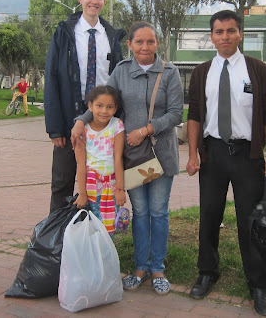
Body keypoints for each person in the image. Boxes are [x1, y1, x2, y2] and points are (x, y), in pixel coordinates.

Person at [72, 21, 183, 295]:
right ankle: (140, 268)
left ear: (158, 43)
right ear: (130, 44)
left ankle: (158, 268)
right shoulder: (121, 71)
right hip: (132, 157)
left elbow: (176, 113)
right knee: (141, 212)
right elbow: (104, 100)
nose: (145, 47)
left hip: (160, 154)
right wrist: (80, 121)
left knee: (159, 212)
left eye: (150, 41)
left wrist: (146, 130)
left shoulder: (170, 72)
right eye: (139, 42)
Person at [185, 10, 266, 316]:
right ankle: (207, 272)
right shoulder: (202, 73)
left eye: (230, 31)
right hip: (212, 154)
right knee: (209, 215)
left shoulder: (257, 70)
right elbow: (195, 115)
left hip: (247, 155)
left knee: (250, 220)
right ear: (212, 36)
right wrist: (192, 154)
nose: (224, 36)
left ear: (240, 34)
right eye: (219, 31)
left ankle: (258, 284)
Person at [44, 0, 126, 213]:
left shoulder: (111, 36)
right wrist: (55, 129)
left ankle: (92, 232)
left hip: (101, 120)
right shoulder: (65, 33)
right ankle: (58, 233)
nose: (94, 1)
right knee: (62, 183)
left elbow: (117, 80)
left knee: (98, 183)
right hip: (69, 117)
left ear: (104, 1)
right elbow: (52, 78)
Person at [74, 85, 127, 234]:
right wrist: (82, 193)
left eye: (109, 107)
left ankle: (106, 249)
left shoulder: (117, 125)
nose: (104, 111)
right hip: (90, 187)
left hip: (110, 187)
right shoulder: (83, 129)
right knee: (92, 230)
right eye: (99, 106)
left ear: (115, 109)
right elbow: (81, 164)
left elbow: (118, 158)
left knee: (108, 230)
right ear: (90, 106)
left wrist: (120, 189)